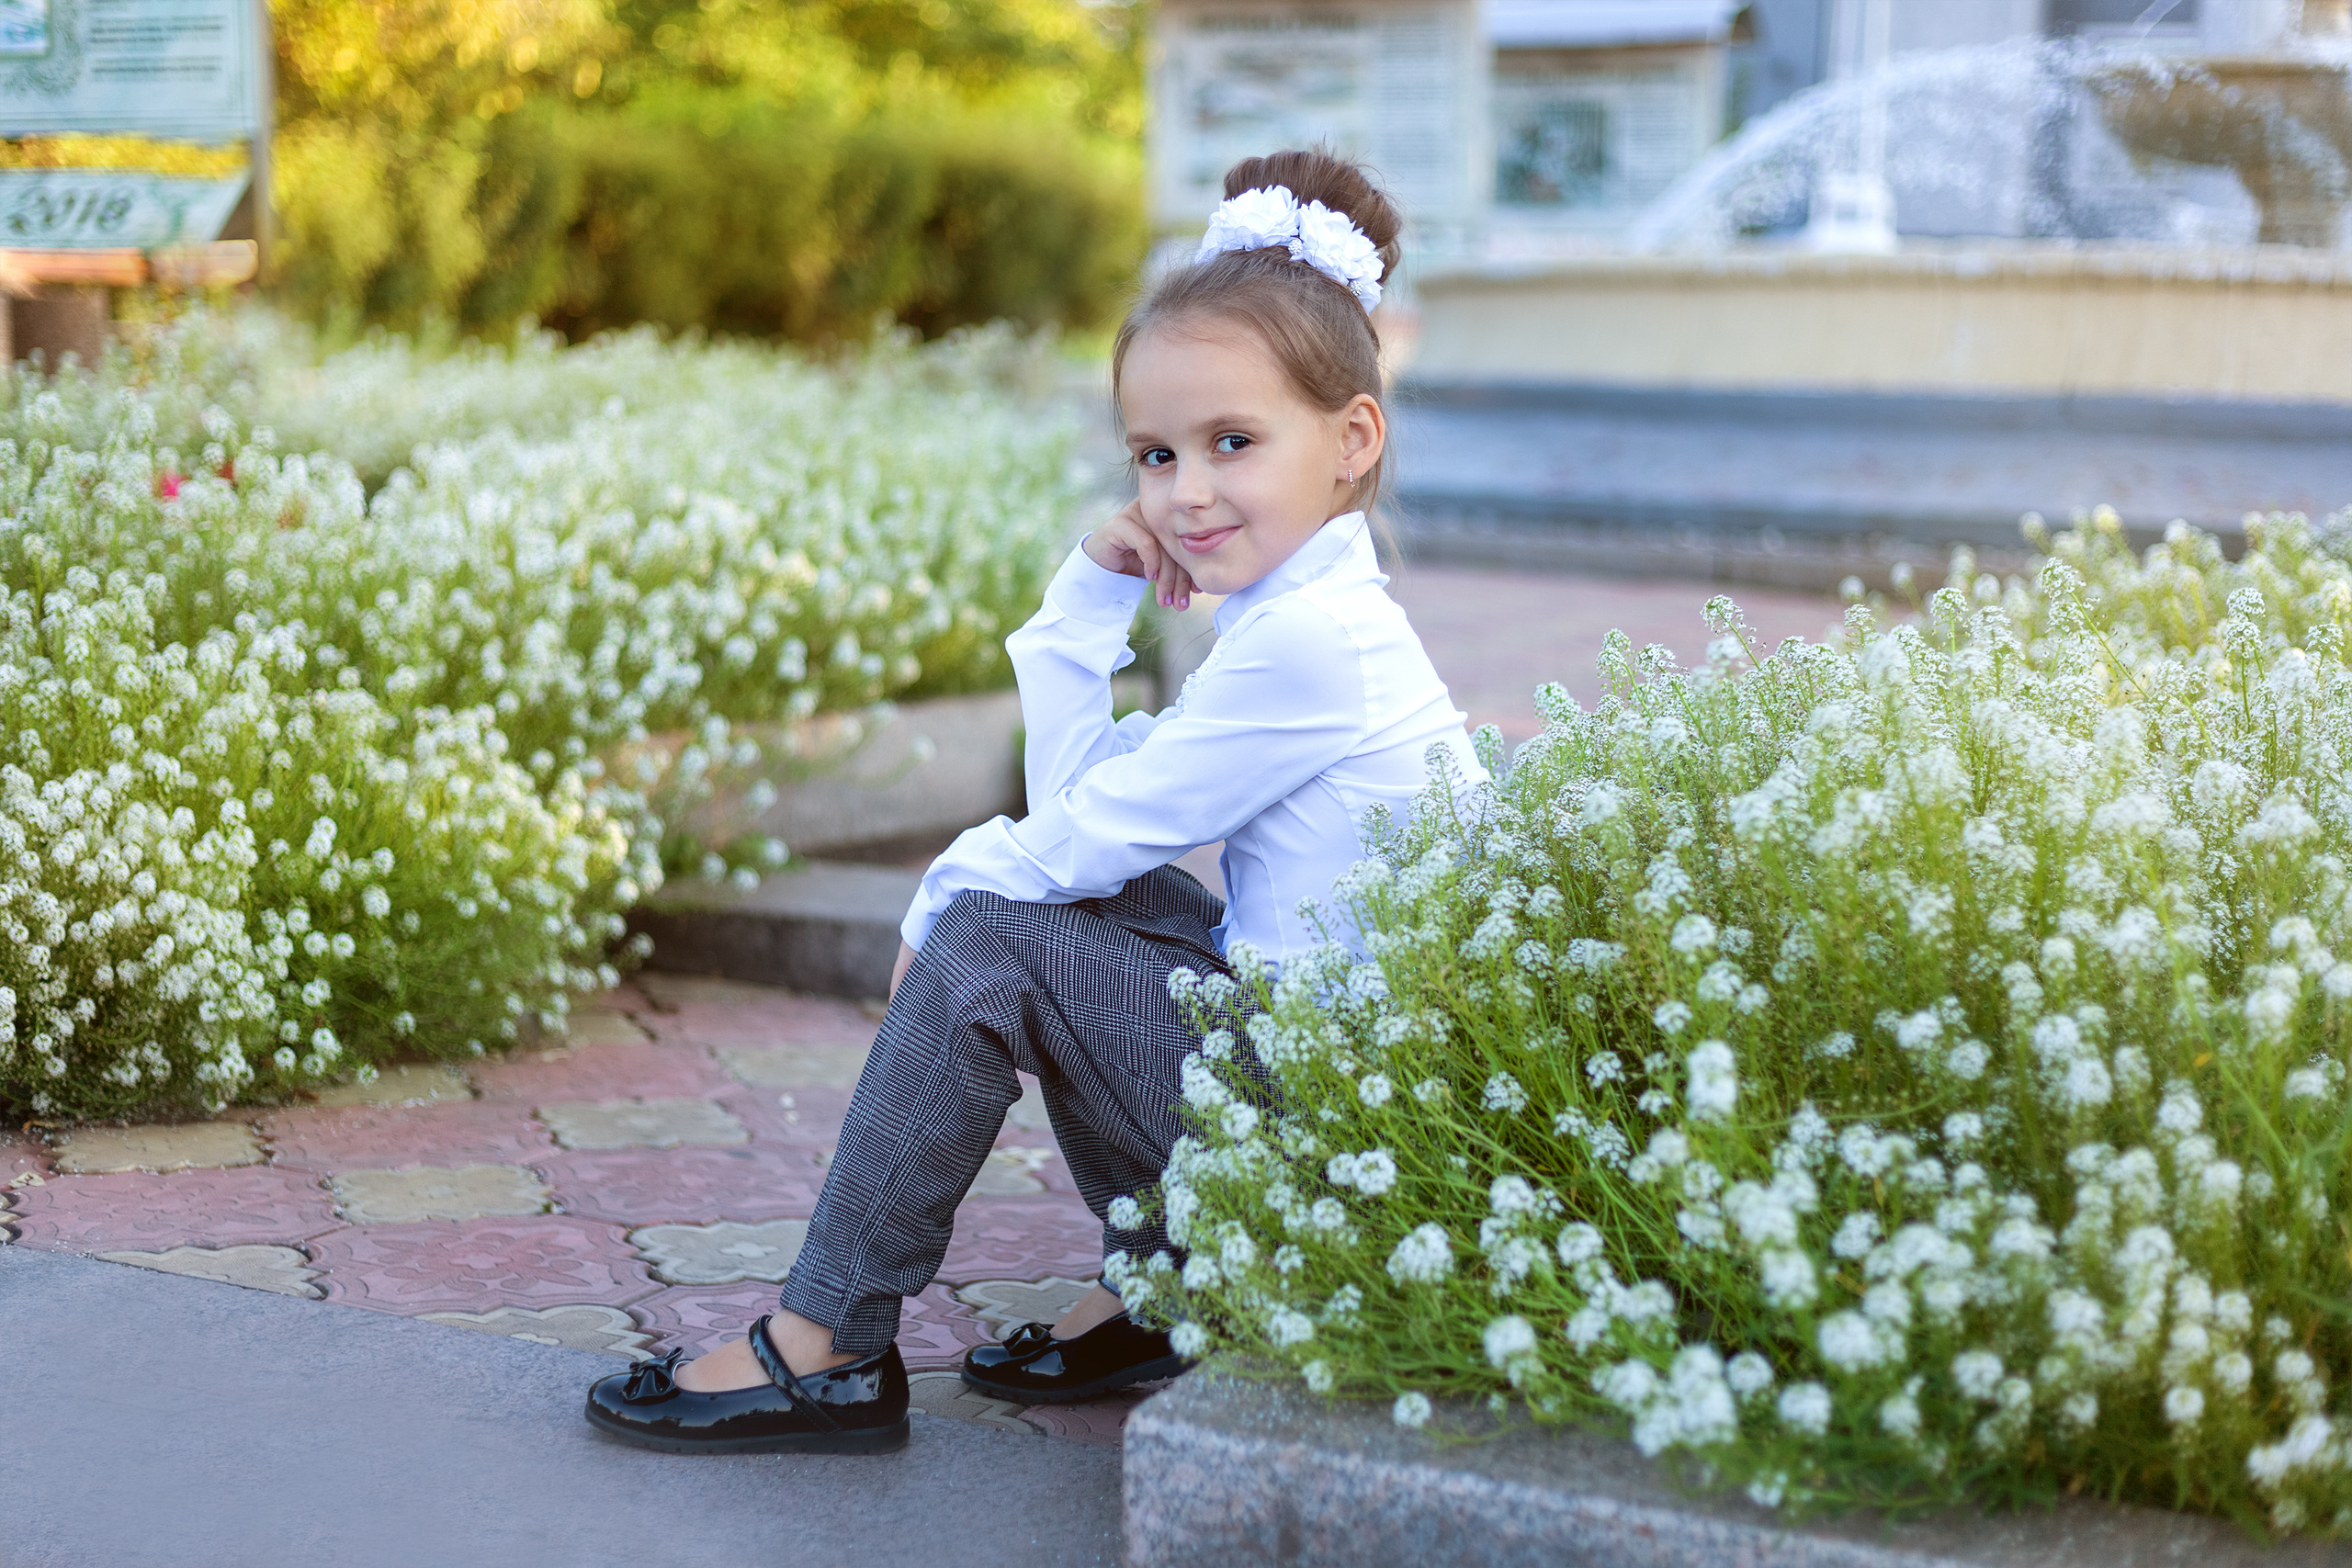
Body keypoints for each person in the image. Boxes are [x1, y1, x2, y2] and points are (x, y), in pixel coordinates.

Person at [582, 147, 1482, 1455]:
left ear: (1353, 437)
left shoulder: (1315, 645)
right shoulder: (1307, 614)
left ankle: (825, 1345)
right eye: (1156, 453)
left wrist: (943, 907)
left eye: (1234, 442)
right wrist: (1086, 605)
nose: (1184, 492)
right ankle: (1168, 1286)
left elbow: (1067, 845)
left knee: (998, 929)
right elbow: (1083, 825)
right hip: (1314, 1101)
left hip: (1340, 1149)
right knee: (1061, 900)